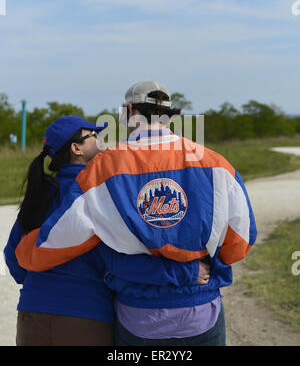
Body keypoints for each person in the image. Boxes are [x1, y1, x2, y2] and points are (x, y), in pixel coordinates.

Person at [15, 81, 257, 346]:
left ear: (130, 111)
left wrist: (24, 253)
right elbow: (240, 242)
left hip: (139, 317)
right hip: (200, 311)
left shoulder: (104, 166)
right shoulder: (216, 163)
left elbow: (61, 238)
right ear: (169, 113)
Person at [6, 115, 207, 346]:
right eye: (93, 136)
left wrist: (44, 286)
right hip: (84, 318)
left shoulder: (39, 195)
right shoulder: (101, 193)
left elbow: (14, 259)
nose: (102, 141)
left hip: (31, 315)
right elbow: (120, 264)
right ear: (76, 149)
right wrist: (188, 273)